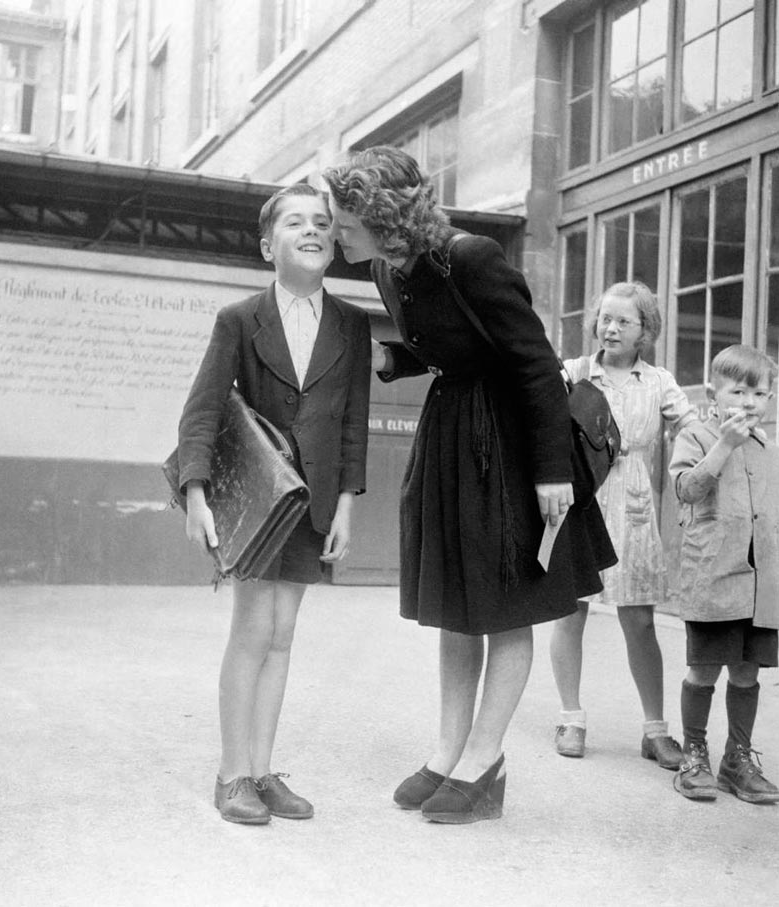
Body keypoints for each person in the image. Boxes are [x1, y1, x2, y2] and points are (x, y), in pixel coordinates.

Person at [323, 146, 616, 824]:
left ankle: (485, 759)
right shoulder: (385, 267)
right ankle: (447, 752)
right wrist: (394, 357)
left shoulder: (474, 257)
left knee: (506, 602)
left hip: (510, 443)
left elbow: (536, 365)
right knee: (456, 601)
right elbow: (441, 343)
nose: (336, 230)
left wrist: (551, 473)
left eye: (344, 219)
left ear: (383, 214)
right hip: (453, 431)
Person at [176, 183, 371, 824]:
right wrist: (197, 496)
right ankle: (231, 774)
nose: (312, 230)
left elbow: (352, 424)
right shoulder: (238, 320)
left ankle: (262, 771)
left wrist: (346, 501)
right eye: (295, 222)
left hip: (312, 506)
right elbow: (202, 411)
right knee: (253, 630)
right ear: (269, 246)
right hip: (260, 506)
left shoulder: (352, 324)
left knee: (283, 636)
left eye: (322, 222)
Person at [549, 282, 697, 767]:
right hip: (580, 500)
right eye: (604, 318)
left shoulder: (657, 382)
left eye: (623, 322)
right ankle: (571, 717)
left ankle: (655, 730)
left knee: (640, 619)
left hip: (633, 507)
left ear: (645, 331)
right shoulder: (572, 372)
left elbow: (693, 428)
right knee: (570, 612)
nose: (610, 328)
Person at [668, 344, 779, 803]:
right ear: (715, 391)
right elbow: (687, 489)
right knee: (704, 669)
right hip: (713, 573)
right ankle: (694, 753)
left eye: (760, 392)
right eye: (739, 391)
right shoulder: (695, 434)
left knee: (747, 672)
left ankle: (738, 758)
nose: (749, 402)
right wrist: (725, 444)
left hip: (761, 581)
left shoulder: (770, 446)